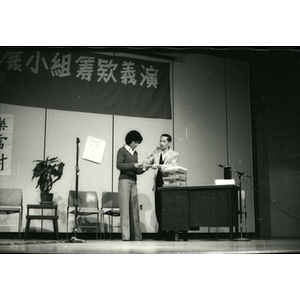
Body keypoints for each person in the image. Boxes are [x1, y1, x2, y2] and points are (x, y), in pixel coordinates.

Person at [145, 134, 179, 240]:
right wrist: (143, 164)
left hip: (168, 183)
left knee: (168, 208)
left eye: (164, 141)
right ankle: (161, 232)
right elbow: (148, 160)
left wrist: (159, 166)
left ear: (169, 142)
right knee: (159, 207)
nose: (161, 143)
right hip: (158, 182)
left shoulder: (174, 154)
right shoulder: (156, 152)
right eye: (160, 141)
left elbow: (173, 166)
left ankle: (170, 232)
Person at [116, 130, 147, 241]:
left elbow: (136, 171)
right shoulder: (122, 150)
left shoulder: (135, 153)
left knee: (134, 209)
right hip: (124, 181)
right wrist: (134, 165)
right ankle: (126, 237)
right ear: (131, 141)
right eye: (136, 142)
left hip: (133, 182)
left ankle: (137, 237)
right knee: (125, 209)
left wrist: (144, 168)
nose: (137, 145)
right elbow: (119, 165)